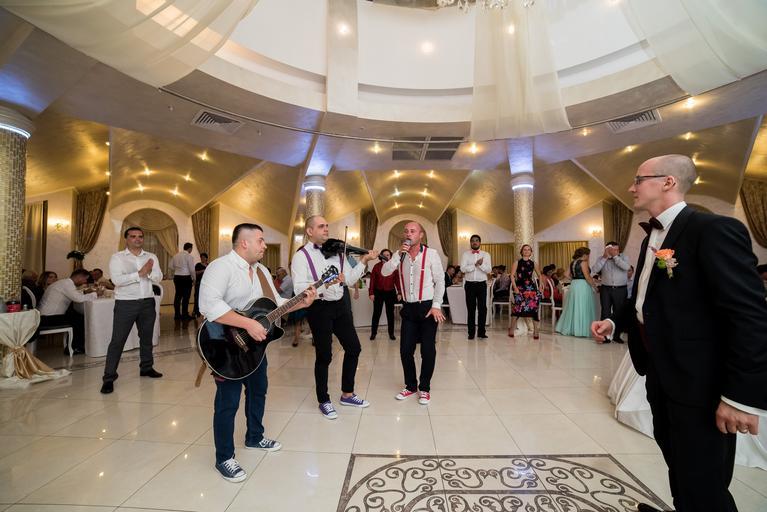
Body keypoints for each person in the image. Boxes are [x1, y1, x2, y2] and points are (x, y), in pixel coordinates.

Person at [591, 154, 767, 512]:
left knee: (704, 479)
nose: (631, 188)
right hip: (661, 370)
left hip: (699, 379)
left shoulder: (712, 230)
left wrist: (741, 398)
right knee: (678, 459)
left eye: (639, 180)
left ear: (668, 182)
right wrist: (615, 322)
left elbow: (749, 315)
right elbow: (645, 298)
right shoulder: (652, 239)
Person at [199, 223, 316, 483]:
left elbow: (275, 306)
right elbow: (209, 306)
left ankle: (254, 437)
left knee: (258, 390)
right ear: (244, 243)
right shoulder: (221, 267)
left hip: (254, 349)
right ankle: (224, 457)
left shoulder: (262, 271)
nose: (264, 245)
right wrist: (248, 324)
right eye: (260, 240)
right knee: (228, 402)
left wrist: (301, 301)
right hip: (224, 345)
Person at [291, 215, 379, 419]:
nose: (326, 229)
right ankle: (323, 400)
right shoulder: (301, 256)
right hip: (319, 308)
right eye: (321, 226)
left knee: (354, 348)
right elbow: (299, 288)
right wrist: (324, 284)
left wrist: (363, 261)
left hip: (340, 305)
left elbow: (348, 279)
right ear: (309, 231)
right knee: (324, 355)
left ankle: (347, 394)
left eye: (327, 226)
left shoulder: (337, 252)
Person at [382, 221, 445, 405]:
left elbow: (440, 281)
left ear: (421, 235)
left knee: (427, 350)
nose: (408, 234)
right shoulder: (399, 255)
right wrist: (397, 256)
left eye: (412, 231)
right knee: (405, 350)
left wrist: (436, 305)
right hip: (408, 307)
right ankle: (410, 386)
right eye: (406, 231)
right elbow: (385, 272)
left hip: (427, 307)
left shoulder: (432, 254)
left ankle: (424, 388)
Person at [101, 226, 163, 394]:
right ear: (126, 239)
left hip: (147, 302)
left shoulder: (151, 257)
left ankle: (146, 368)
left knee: (147, 338)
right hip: (125, 303)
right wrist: (140, 273)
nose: (137, 239)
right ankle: (109, 377)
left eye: (140, 236)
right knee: (117, 341)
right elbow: (117, 280)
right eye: (133, 236)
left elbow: (158, 277)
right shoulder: (117, 257)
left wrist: (149, 273)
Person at [38, 268, 97, 354]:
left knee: (76, 315)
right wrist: (95, 294)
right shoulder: (67, 284)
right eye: (85, 279)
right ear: (79, 277)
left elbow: (74, 294)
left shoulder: (63, 283)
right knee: (80, 319)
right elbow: (78, 299)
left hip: (43, 316)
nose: (85, 282)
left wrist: (86, 293)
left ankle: (76, 345)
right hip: (48, 318)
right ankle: (75, 347)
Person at [591, 241, 631, 343]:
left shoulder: (624, 257)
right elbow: (595, 270)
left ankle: (617, 335)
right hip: (606, 289)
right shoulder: (601, 258)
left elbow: (627, 267)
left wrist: (615, 257)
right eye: (613, 250)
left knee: (619, 312)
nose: (615, 251)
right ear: (607, 249)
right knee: (605, 312)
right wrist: (604, 257)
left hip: (620, 289)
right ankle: (604, 336)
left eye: (617, 250)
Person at [555, 247, 597, 338]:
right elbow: (587, 277)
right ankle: (581, 330)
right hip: (582, 285)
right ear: (584, 254)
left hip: (574, 285)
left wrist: (574, 279)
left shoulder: (573, 262)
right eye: (588, 255)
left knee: (574, 306)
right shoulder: (583, 262)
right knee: (582, 306)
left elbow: (565, 274)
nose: (588, 257)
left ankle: (572, 329)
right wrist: (595, 287)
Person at [460, 234, 492, 340]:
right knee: (471, 309)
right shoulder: (465, 254)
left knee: (482, 309)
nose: (474, 242)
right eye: (473, 241)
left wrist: (481, 265)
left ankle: (481, 332)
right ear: (470, 243)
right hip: (469, 284)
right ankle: (471, 333)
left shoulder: (486, 255)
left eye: (477, 240)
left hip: (481, 284)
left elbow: (489, 270)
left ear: (480, 242)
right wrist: (475, 265)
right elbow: (463, 269)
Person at [508, 244, 542, 339]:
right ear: (522, 252)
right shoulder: (517, 262)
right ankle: (511, 329)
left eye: (528, 250)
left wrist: (540, 285)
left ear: (531, 252)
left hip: (531, 288)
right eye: (525, 249)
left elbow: (540, 275)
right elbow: (512, 275)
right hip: (520, 288)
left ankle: (536, 331)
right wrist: (515, 287)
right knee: (517, 308)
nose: (527, 251)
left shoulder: (533, 263)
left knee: (534, 309)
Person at [368, 249, 401, 341]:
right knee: (376, 313)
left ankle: (391, 334)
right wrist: (371, 293)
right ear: (381, 256)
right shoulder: (376, 267)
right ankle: (373, 333)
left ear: (390, 257)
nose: (386, 256)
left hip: (390, 292)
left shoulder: (393, 267)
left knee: (390, 314)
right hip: (378, 293)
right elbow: (372, 281)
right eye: (384, 255)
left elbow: (397, 281)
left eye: (388, 255)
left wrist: (399, 292)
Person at [170, 242, 196, 320]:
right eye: (191, 249)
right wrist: (194, 279)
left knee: (177, 296)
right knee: (186, 297)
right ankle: (185, 315)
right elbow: (192, 270)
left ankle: (177, 315)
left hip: (177, 277)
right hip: (186, 278)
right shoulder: (189, 257)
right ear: (190, 248)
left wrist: (178, 269)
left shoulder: (176, 255)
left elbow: (170, 266)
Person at [193, 252, 208, 318]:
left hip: (206, 284)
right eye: (201, 257)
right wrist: (202, 271)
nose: (202, 258)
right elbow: (195, 273)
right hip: (199, 283)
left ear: (206, 258)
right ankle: (195, 311)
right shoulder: (198, 265)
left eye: (203, 257)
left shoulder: (208, 265)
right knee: (197, 297)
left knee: (205, 298)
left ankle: (204, 311)